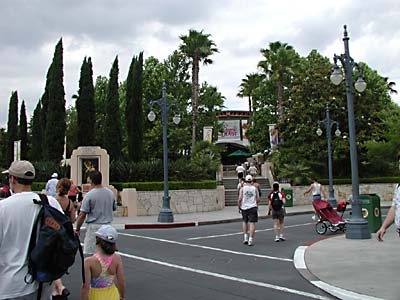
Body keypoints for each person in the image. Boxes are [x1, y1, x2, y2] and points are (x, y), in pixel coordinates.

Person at [0, 160, 63, 300]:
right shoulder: (50, 203)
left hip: (10, 285)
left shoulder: (3, 208)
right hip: (43, 284)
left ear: (12, 179)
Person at [76, 171, 117, 255]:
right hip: (107, 226)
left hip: (94, 227)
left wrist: (77, 228)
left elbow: (82, 214)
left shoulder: (89, 195)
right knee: (106, 253)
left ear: (91, 180)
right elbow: (114, 208)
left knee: (91, 254)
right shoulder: (110, 193)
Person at [80, 225, 125, 300]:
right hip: (112, 294)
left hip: (96, 295)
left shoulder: (89, 262)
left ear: (97, 239)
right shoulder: (117, 258)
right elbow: (121, 281)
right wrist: (122, 296)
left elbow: (85, 286)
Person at [52, 178, 77, 298]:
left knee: (50, 260)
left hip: (53, 232)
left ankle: (57, 287)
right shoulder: (69, 203)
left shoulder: (52, 200)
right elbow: (72, 219)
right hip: (65, 235)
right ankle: (58, 287)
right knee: (58, 261)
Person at [238, 175, 260, 246]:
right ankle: (251, 239)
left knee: (245, 222)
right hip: (253, 207)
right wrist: (256, 204)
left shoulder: (242, 189)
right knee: (252, 223)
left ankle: (245, 238)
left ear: (245, 181)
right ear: (252, 181)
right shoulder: (255, 188)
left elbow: (240, 199)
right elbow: (258, 199)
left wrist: (239, 207)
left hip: (244, 207)